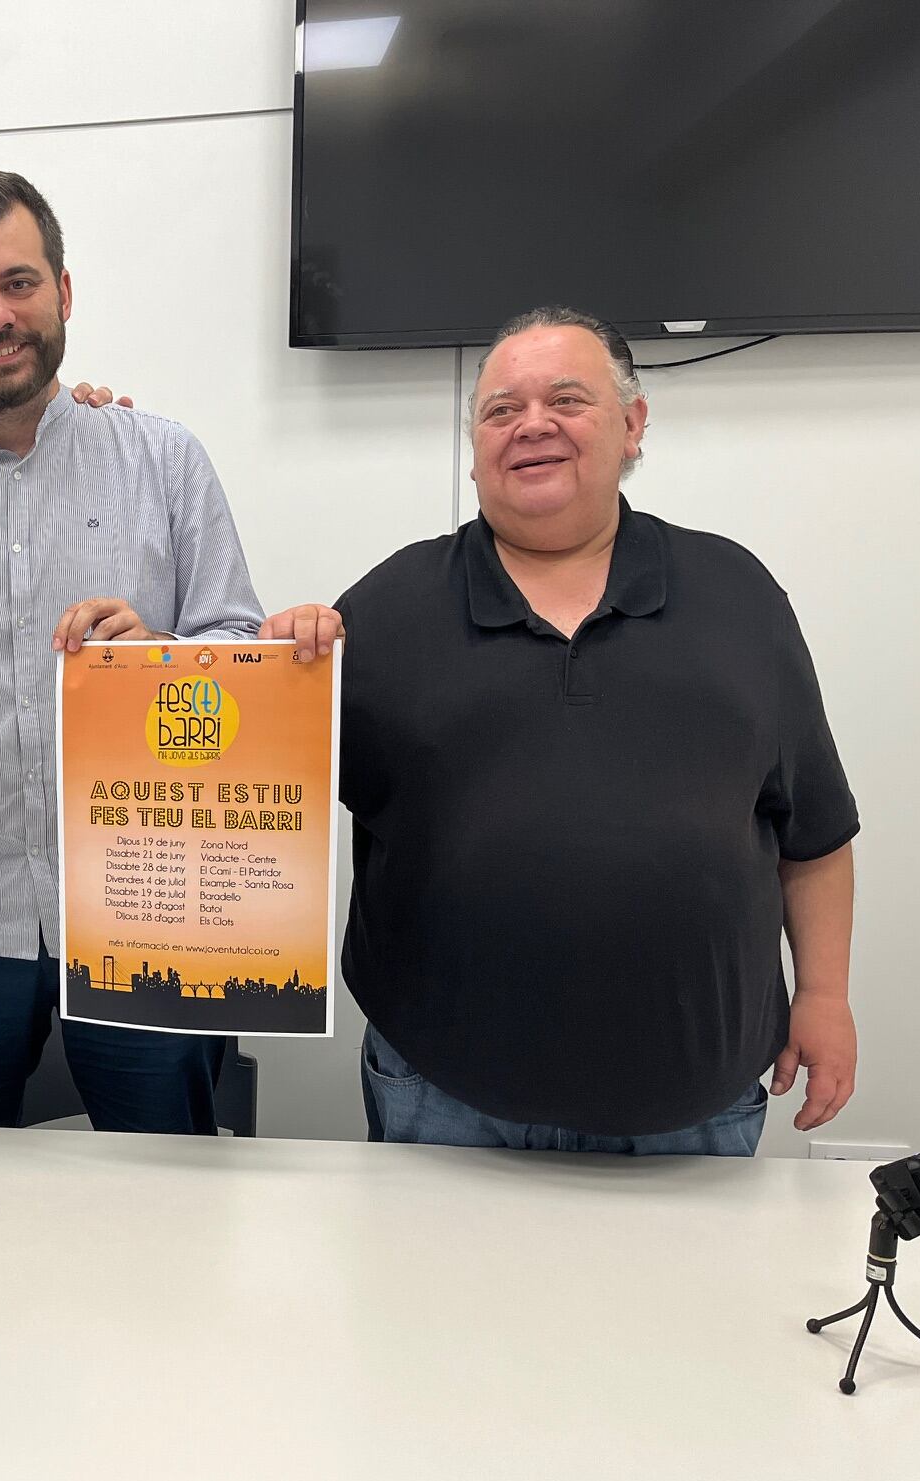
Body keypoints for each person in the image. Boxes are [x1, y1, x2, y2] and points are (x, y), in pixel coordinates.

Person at [265, 306, 858, 1154]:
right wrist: (178, 672)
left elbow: (815, 834)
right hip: (442, 1095)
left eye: (566, 400)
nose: (531, 425)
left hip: (697, 1104)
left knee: (696, 1297)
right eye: (501, 410)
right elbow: (246, 798)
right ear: (474, 448)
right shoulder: (386, 610)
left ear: (632, 423)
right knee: (432, 1294)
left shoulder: (740, 598)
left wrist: (826, 998)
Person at [0, 169, 263, 1133]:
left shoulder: (164, 458)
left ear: (64, 293)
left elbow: (242, 643)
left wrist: (163, 655)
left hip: (146, 910)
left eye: (19, 284)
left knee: (165, 1194)